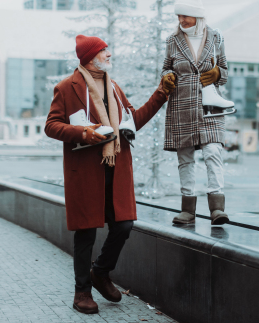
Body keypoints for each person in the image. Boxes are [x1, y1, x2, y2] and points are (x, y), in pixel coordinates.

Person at [45, 35, 169, 314]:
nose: (109, 54)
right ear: (90, 58)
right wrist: (81, 132)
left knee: (124, 225)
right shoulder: (67, 87)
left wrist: (160, 94)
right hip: (86, 172)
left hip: (116, 168)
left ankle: (100, 272)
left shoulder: (113, 87)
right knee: (86, 232)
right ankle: (82, 293)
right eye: (104, 51)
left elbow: (132, 120)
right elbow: (51, 126)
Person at [160, 0, 230, 225]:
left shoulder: (216, 37)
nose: (181, 20)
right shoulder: (172, 41)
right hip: (182, 107)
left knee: (213, 153)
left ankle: (217, 208)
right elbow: (165, 67)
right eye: (178, 16)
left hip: (210, 107)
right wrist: (167, 76)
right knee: (186, 158)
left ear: (197, 16)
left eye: (185, 16)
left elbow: (225, 71)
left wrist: (218, 72)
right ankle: (188, 210)